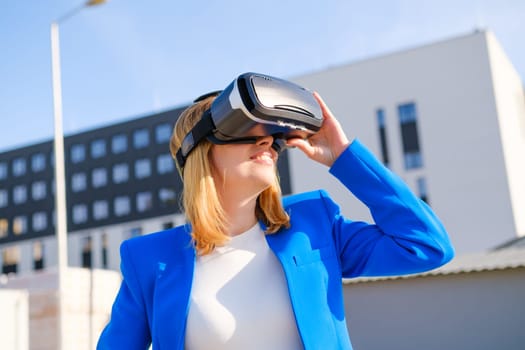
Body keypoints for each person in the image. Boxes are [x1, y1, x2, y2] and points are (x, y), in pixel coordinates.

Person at [97, 79, 454, 350]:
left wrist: (343, 155)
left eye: (270, 133)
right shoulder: (148, 259)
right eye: (246, 130)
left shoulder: (315, 226)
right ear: (200, 151)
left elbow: (426, 245)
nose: (267, 141)